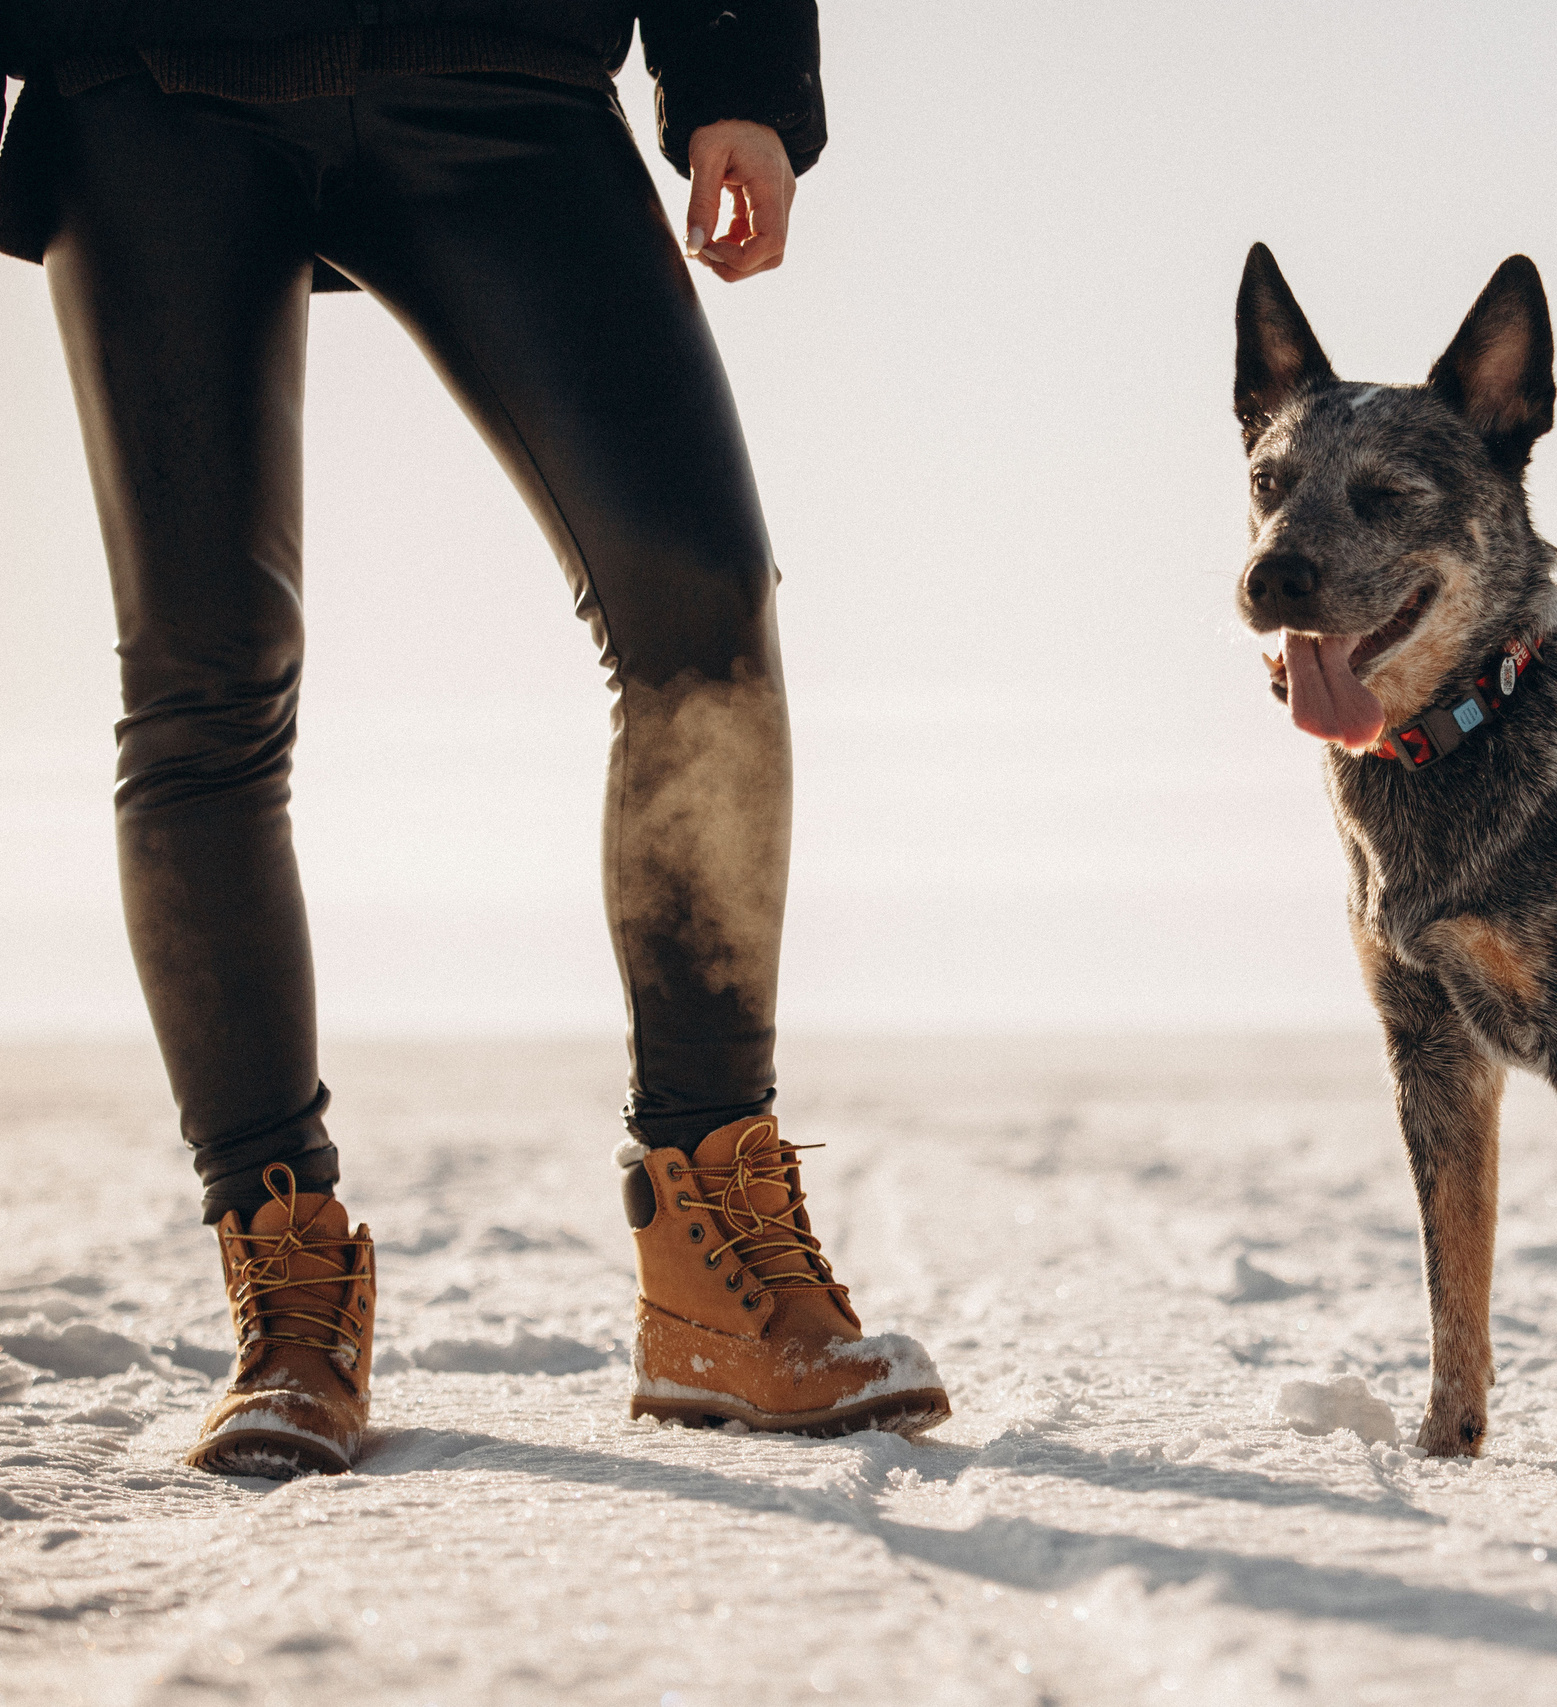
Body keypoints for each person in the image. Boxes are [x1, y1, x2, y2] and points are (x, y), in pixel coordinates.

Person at [0, 2, 948, 1476]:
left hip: (504, 59)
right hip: (151, 74)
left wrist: (736, 73)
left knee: (698, 603)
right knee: (202, 675)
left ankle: (711, 1251)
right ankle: (285, 1283)